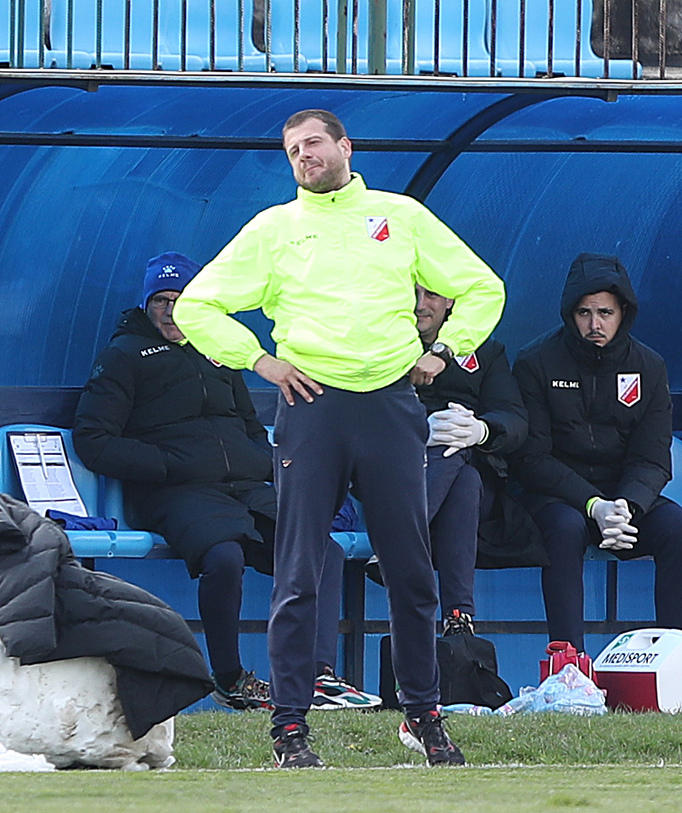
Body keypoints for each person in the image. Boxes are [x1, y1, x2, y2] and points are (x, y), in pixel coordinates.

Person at [173, 109, 504, 768]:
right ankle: (290, 727)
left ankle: (423, 714)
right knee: (299, 571)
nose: (304, 156)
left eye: (314, 143)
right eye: (293, 149)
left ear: (345, 147)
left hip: (390, 403)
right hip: (311, 405)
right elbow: (195, 305)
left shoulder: (399, 214)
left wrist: (444, 351)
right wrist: (259, 361)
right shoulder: (275, 229)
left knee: (412, 572)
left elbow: (483, 287)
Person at [73, 251, 378, 712]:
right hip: (175, 491)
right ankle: (230, 678)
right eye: (161, 301)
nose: (172, 311)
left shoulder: (219, 350)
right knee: (225, 556)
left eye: (182, 299)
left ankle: (316, 676)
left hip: (245, 485)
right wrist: (168, 464)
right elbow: (93, 440)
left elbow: (249, 424)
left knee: (325, 550)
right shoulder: (124, 355)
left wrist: (257, 459)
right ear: (146, 305)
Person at [511, 253, 682, 655]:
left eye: (605, 312)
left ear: (623, 312)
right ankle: (568, 665)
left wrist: (627, 506)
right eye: (584, 312)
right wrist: (593, 504)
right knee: (564, 529)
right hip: (558, 498)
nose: (595, 325)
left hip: (623, 502)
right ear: (569, 313)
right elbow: (532, 459)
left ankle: (678, 658)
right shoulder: (534, 363)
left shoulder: (649, 366)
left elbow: (652, 458)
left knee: (678, 528)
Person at [367, 284, 535, 634]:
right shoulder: (378, 345)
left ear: (450, 302)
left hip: (478, 495)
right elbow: (358, 417)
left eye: (430, 296)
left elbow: (515, 420)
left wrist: (481, 430)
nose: (419, 305)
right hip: (391, 480)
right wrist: (417, 433)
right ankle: (459, 619)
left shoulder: (484, 352)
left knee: (460, 457)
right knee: (461, 476)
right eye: (411, 293)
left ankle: (391, 546)